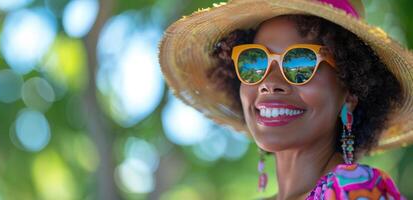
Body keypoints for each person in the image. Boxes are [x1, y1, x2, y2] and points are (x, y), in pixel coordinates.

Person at [159, 0, 412, 199]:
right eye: (253, 61)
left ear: (350, 92)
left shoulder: (355, 190)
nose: (269, 83)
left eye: (300, 62)